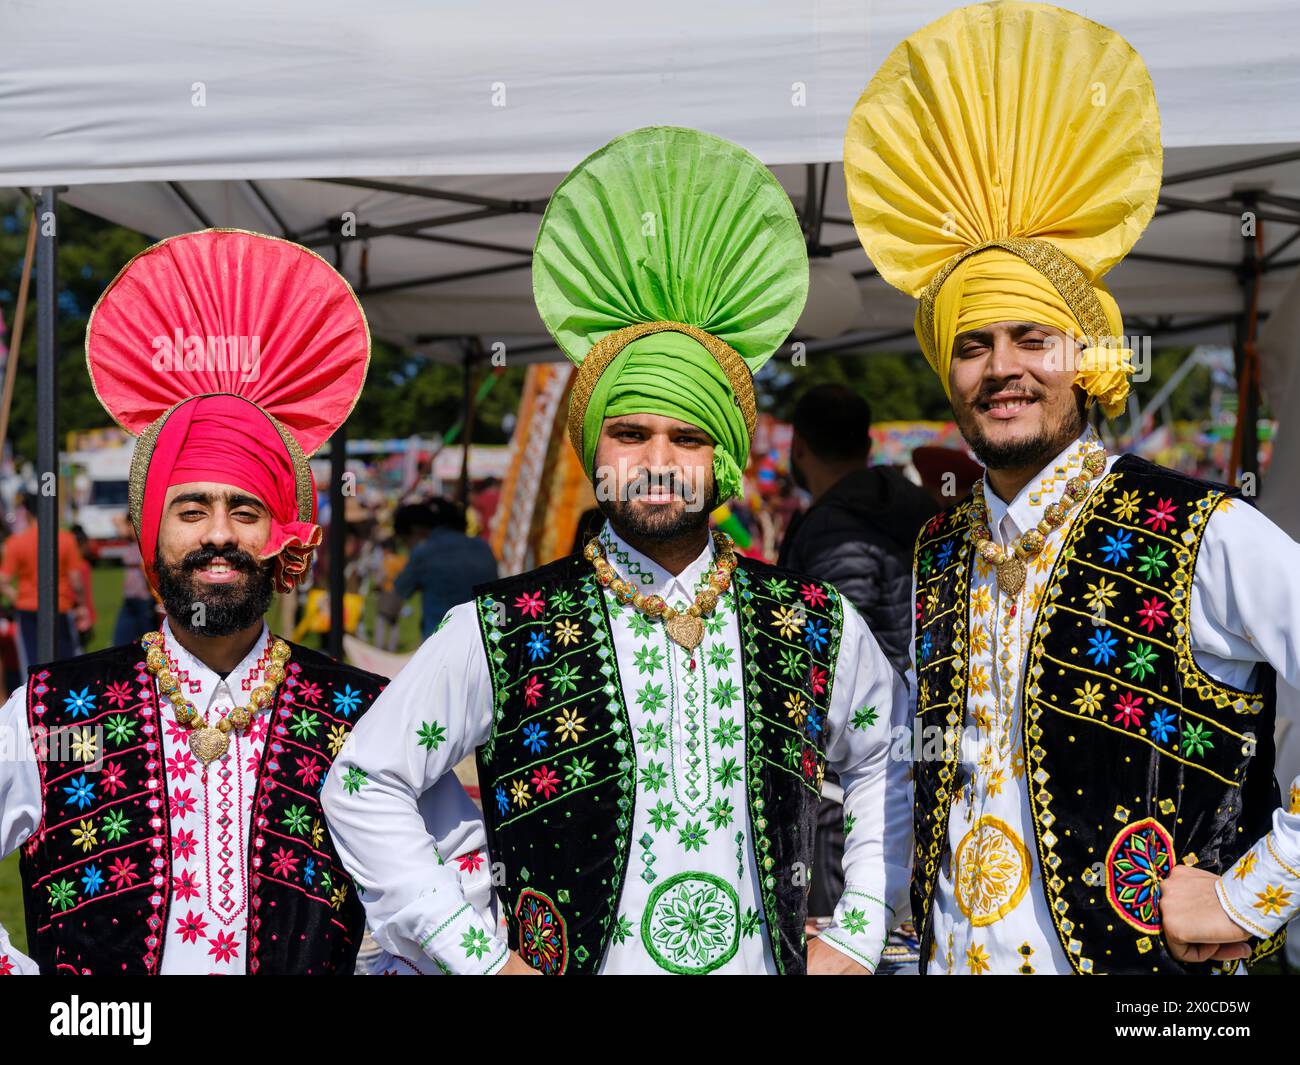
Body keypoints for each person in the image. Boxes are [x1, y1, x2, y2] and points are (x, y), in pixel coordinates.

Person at [323, 126, 912, 975]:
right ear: (596, 453)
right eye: (630, 433)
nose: (659, 462)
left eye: (688, 435)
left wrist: (858, 929)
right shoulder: (504, 625)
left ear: (727, 462)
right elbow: (365, 781)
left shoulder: (811, 620)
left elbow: (886, 758)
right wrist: (479, 956)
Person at [845, 0, 1297, 974]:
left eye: (1030, 338)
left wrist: (1256, 891)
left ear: (1085, 357)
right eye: (971, 344)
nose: (1000, 368)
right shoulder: (935, 549)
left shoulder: (1199, 532)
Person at [0, 229, 477, 976]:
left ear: (281, 537)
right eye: (191, 510)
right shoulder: (58, 715)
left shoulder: (363, 716)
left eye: (245, 511)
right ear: (147, 534)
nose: (218, 536)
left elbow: (466, 875)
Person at [779, 384, 936, 921]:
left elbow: (827, 659)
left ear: (799, 447)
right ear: (867, 442)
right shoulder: (915, 507)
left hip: (848, 773)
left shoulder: (829, 529)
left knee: (845, 927)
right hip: (918, 745)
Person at [0, 493, 86, 670]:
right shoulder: (66, 539)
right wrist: (81, 604)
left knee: (32, 665)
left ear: (28, 513)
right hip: (60, 605)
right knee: (68, 664)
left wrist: (18, 597)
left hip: (28, 609)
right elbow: (76, 581)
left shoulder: (16, 542)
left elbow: (3, 580)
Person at [392, 499, 498, 641]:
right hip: (488, 640)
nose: (407, 548)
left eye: (405, 542)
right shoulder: (483, 547)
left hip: (444, 644)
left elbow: (393, 601)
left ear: (417, 531)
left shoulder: (425, 552)